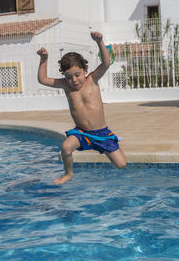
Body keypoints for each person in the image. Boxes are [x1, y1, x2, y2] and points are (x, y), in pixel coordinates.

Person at [37, 31, 127, 184]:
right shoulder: (66, 86)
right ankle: (68, 174)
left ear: (85, 70)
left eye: (77, 74)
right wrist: (44, 59)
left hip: (102, 133)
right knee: (65, 147)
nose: (73, 80)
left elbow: (106, 63)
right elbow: (43, 79)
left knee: (121, 164)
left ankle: (108, 145)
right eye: (68, 77)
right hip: (82, 133)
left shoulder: (92, 79)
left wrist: (99, 41)